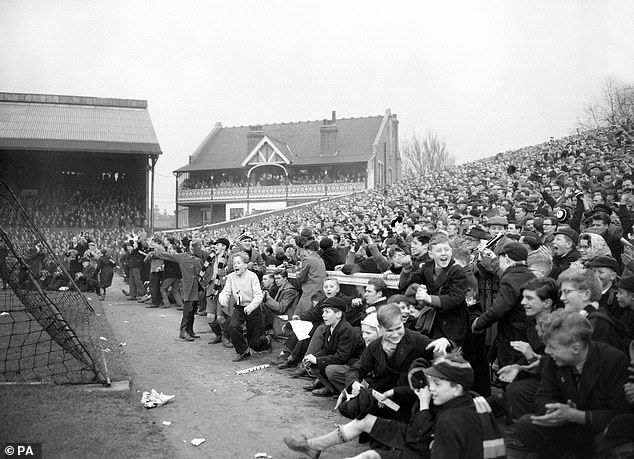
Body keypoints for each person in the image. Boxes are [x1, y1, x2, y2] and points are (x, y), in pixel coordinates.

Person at [285, 352, 492, 459]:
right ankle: (314, 447)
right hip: (423, 438)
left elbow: (422, 435)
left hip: (423, 446)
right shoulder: (466, 398)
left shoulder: (452, 418)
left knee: (369, 456)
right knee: (364, 421)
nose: (431, 388)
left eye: (437, 383)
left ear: (457, 387)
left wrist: (424, 404)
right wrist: (395, 392)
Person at [516, 310, 629, 459]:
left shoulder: (613, 361)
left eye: (552, 347)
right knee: (527, 425)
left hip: (598, 429)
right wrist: (555, 410)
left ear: (576, 348)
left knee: (605, 440)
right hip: (568, 425)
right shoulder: (554, 360)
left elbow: (621, 417)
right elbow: (542, 397)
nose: (547, 351)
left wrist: (577, 415)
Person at [471, 241, 535, 368]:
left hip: (513, 333)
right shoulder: (529, 274)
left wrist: (479, 323)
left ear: (506, 257)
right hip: (527, 331)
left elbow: (499, 309)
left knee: (509, 371)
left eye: (499, 257)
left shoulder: (509, 278)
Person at [403, 234, 469, 347]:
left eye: (447, 250)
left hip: (453, 324)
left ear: (451, 252)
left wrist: (428, 298)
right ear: (431, 254)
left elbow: (456, 298)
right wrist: (406, 269)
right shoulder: (427, 268)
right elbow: (407, 285)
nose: (444, 253)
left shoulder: (457, 271)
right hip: (432, 322)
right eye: (439, 250)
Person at [301, 296, 366, 396]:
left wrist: (318, 360)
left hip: (353, 365)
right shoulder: (330, 328)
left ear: (338, 314)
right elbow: (326, 350)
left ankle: (350, 394)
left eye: (327, 312)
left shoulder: (346, 330)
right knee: (313, 365)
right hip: (342, 362)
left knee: (330, 370)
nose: (323, 315)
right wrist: (313, 357)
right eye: (323, 312)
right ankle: (332, 390)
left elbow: (342, 357)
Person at [219, 251, 271, 361]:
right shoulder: (231, 277)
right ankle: (243, 351)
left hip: (253, 306)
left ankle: (267, 340)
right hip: (239, 306)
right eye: (234, 263)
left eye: (238, 263)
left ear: (245, 265)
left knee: (254, 342)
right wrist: (223, 298)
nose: (235, 265)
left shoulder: (252, 276)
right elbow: (226, 291)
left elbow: (258, 296)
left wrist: (251, 307)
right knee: (233, 327)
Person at [149, 242, 202, 341]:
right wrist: (153, 254)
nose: (194, 248)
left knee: (193, 309)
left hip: (196, 287)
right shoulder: (183, 257)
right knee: (188, 309)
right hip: (189, 287)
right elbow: (167, 255)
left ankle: (190, 330)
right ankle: (183, 331)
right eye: (192, 246)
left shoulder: (199, 258)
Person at [198, 238, 231, 345]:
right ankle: (218, 336)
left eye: (218, 245)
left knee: (221, 318)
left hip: (223, 288)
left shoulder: (229, 258)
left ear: (224, 247)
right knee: (210, 316)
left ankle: (226, 337)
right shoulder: (211, 257)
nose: (215, 247)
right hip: (212, 287)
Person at [294, 239, 327, 315]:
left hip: (309, 291)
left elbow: (300, 276)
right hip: (320, 290)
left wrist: (297, 273)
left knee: (301, 315)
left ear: (307, 250)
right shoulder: (320, 259)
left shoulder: (308, 259)